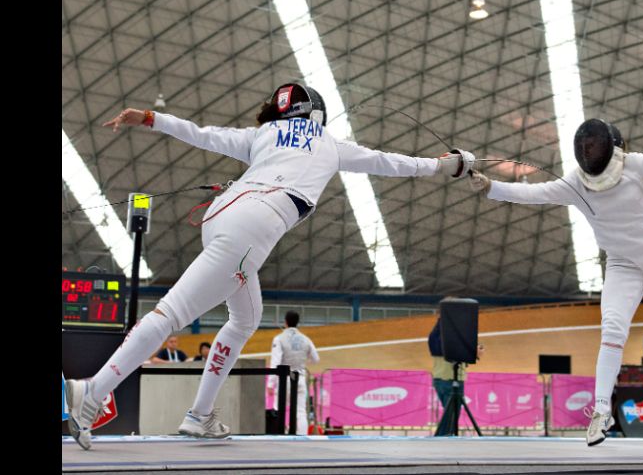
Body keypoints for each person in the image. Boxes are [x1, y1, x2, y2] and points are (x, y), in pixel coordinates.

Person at [64, 82, 475, 450]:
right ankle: (94, 390)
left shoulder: (263, 133)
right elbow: (392, 162)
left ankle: (199, 415)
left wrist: (152, 118)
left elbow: (204, 135)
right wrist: (447, 164)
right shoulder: (330, 144)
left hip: (221, 216)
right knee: (171, 313)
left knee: (246, 318)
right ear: (317, 113)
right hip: (252, 228)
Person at [468, 118, 643, 448]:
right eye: (586, 147)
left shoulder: (636, 166)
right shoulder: (575, 185)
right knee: (611, 331)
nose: (589, 150)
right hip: (623, 263)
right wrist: (491, 187)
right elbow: (534, 193)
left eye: (594, 145)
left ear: (612, 148)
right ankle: (599, 411)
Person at [428, 312, 484, 435]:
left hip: (440, 379)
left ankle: (444, 436)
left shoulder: (435, 335)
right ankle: (441, 438)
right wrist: (474, 353)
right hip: (450, 379)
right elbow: (456, 354)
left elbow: (447, 353)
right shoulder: (453, 337)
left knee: (450, 414)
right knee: (452, 414)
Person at [267, 311, 319, 435]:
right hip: (299, 378)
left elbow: (275, 362)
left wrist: (270, 383)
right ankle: (303, 438)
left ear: (285, 322)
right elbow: (316, 359)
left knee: (278, 409)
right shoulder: (306, 339)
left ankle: (279, 435)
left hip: (283, 380)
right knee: (300, 411)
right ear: (297, 322)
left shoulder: (279, 338)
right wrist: (303, 361)